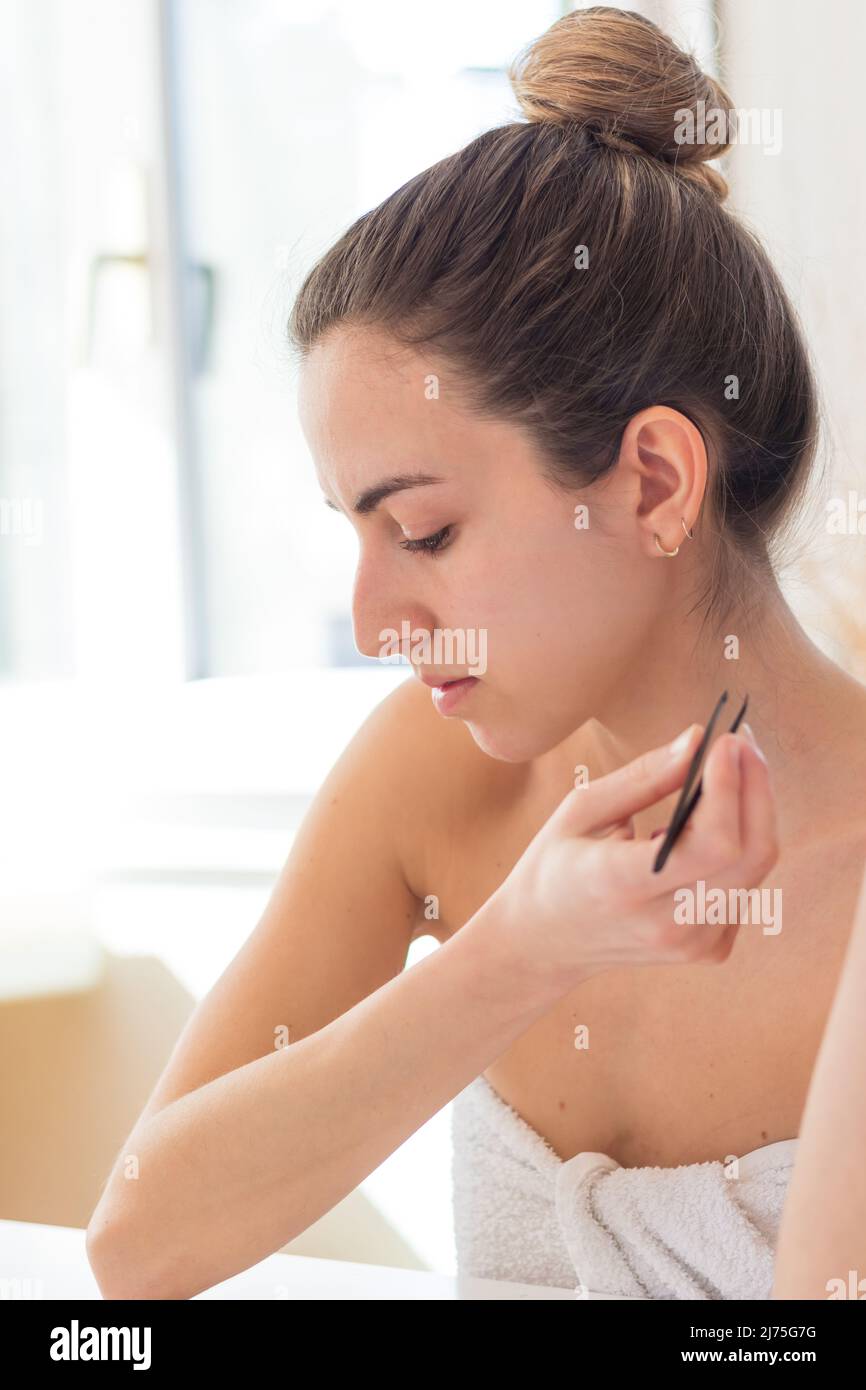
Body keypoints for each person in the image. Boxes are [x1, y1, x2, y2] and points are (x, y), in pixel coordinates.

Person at [86, 6, 866, 1299]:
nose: (372, 622)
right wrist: (519, 950)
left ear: (655, 481)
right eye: (353, 533)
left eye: (426, 530)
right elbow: (139, 1241)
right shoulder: (435, 772)